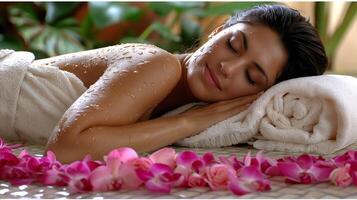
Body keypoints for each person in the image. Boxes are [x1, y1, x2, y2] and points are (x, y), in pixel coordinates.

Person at [6, 4, 328, 163]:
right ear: (216, 32)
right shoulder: (157, 65)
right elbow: (65, 149)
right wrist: (186, 123)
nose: (228, 67)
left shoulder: (187, 100)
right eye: (233, 44)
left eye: (252, 76)